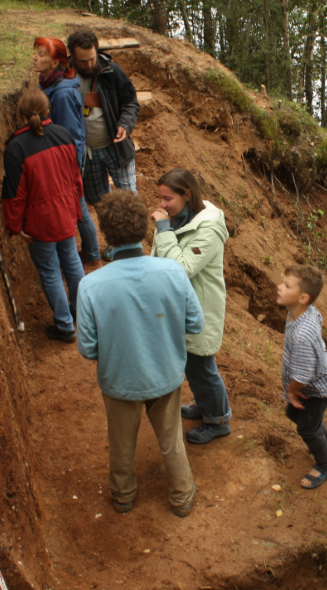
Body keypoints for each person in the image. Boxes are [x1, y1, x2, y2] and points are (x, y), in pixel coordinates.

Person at [76, 190, 203, 517]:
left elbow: (88, 348)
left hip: (120, 381)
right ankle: (182, 497)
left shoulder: (90, 286)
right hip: (167, 374)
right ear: (145, 230)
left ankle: (123, 497)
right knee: (172, 439)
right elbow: (195, 323)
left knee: (121, 444)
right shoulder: (173, 272)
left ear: (106, 232)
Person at [151, 169, 232, 445]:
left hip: (201, 308)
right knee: (193, 365)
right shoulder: (179, 219)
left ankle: (218, 419)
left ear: (187, 195)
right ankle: (205, 406)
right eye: (160, 198)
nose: (162, 205)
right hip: (182, 308)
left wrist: (162, 230)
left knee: (203, 367)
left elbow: (181, 267)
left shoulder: (207, 228)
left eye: (168, 198)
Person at [1, 87, 84, 343]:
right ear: (48, 111)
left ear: (21, 115)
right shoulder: (63, 134)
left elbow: (15, 193)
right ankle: (83, 312)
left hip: (39, 222)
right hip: (64, 212)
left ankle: (64, 325)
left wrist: (15, 226)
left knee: (50, 271)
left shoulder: (16, 147)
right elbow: (75, 177)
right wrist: (75, 208)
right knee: (71, 260)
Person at [67, 29, 140, 261]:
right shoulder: (66, 77)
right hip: (86, 154)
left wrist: (125, 125)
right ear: (72, 57)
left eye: (92, 58)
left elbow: (131, 102)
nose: (89, 64)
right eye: (83, 60)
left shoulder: (111, 71)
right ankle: (113, 242)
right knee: (100, 201)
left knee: (128, 197)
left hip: (116, 147)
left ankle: (133, 247)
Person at [32, 37, 101, 272]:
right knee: (78, 206)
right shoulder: (50, 84)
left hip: (67, 162)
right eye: (37, 53)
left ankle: (92, 255)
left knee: (79, 207)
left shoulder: (61, 94)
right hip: (62, 159)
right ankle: (90, 253)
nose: (35, 58)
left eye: (42, 54)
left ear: (55, 63)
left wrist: (70, 168)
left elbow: (72, 135)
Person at [276, 264, 327, 489]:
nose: (279, 287)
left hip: (316, 388)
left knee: (306, 427)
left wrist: (292, 389)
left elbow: (304, 374)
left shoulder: (303, 334)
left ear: (303, 297)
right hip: (314, 381)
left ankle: (326, 466)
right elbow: (318, 316)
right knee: (294, 414)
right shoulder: (302, 311)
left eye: (287, 286)